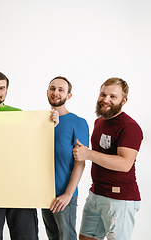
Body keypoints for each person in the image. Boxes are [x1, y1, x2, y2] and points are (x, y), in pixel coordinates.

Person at [0, 71, 60, 240]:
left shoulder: (19, 114)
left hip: (20, 188)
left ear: (7, 91)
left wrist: (51, 124)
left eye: (1, 88)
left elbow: (32, 145)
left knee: (26, 236)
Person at [73, 78, 143, 240]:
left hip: (120, 199)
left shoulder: (129, 127)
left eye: (113, 96)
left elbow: (125, 164)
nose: (105, 100)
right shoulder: (100, 122)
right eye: (103, 94)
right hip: (96, 194)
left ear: (123, 100)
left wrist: (88, 154)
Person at [41, 76, 89, 240]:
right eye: (53, 89)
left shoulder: (78, 122)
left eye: (61, 90)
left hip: (64, 194)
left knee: (67, 237)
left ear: (68, 96)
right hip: (44, 193)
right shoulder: (40, 122)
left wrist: (68, 194)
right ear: (47, 92)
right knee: (52, 237)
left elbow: (80, 162)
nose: (56, 93)